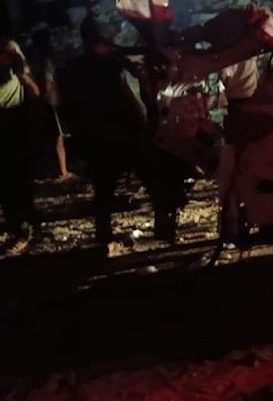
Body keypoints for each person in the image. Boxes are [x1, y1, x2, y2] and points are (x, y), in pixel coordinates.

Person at [58, 23, 186, 247]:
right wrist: (143, 129)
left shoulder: (71, 68)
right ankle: (163, 229)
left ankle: (104, 236)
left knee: (104, 193)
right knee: (153, 183)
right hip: (125, 136)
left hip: (98, 139)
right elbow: (129, 100)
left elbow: (66, 105)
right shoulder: (110, 66)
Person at [0, 37, 41, 251]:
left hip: (16, 130)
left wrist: (21, 70)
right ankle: (18, 225)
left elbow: (35, 93)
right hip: (7, 131)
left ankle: (27, 225)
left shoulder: (17, 76)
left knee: (20, 180)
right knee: (8, 183)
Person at [26, 28, 73, 181]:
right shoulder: (45, 60)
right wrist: (53, 96)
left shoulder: (29, 59)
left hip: (34, 102)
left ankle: (47, 170)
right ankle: (63, 171)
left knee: (44, 137)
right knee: (57, 137)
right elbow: (48, 81)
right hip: (48, 101)